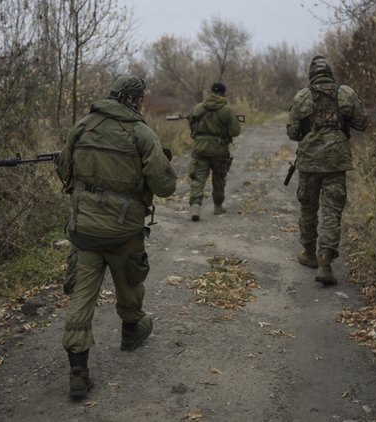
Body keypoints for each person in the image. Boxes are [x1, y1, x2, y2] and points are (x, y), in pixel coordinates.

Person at [55, 75, 178, 398]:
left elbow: (63, 171)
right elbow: (166, 187)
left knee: (81, 297)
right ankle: (130, 331)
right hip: (124, 233)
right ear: (135, 101)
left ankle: (78, 372)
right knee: (130, 283)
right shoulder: (142, 134)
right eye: (142, 100)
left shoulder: (82, 126)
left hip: (85, 232)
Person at [286, 55, 368, 285]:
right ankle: (325, 264)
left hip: (309, 162)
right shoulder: (347, 94)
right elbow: (362, 124)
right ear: (330, 73)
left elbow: (292, 133)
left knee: (309, 208)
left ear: (312, 76)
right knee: (332, 211)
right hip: (336, 163)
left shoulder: (302, 96)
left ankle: (310, 254)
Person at [186, 82, 241, 221]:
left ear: (210, 92)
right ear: (223, 94)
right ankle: (217, 206)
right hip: (219, 151)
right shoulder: (227, 110)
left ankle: (196, 206)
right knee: (219, 179)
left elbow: (191, 125)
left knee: (198, 179)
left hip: (200, 150)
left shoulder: (198, 108)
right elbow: (235, 131)